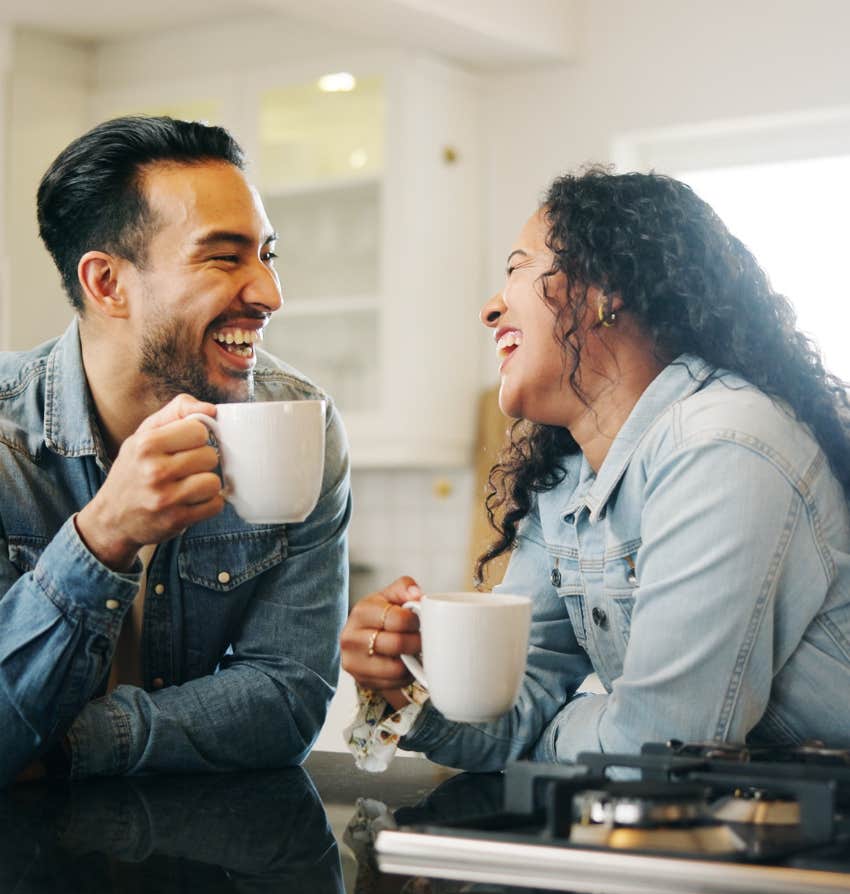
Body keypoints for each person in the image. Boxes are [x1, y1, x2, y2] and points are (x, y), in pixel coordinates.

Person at [341, 165, 850, 772]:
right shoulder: (565, 482)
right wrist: (406, 689)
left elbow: (657, 754)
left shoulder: (723, 446)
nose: (490, 308)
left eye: (520, 266)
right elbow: (509, 711)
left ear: (606, 288)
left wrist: (549, 737)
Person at [0, 116, 350, 786]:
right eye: (224, 256)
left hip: (205, 871)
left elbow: (287, 698)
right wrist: (105, 535)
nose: (270, 295)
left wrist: (67, 746)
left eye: (266, 255)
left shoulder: (300, 423)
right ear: (107, 284)